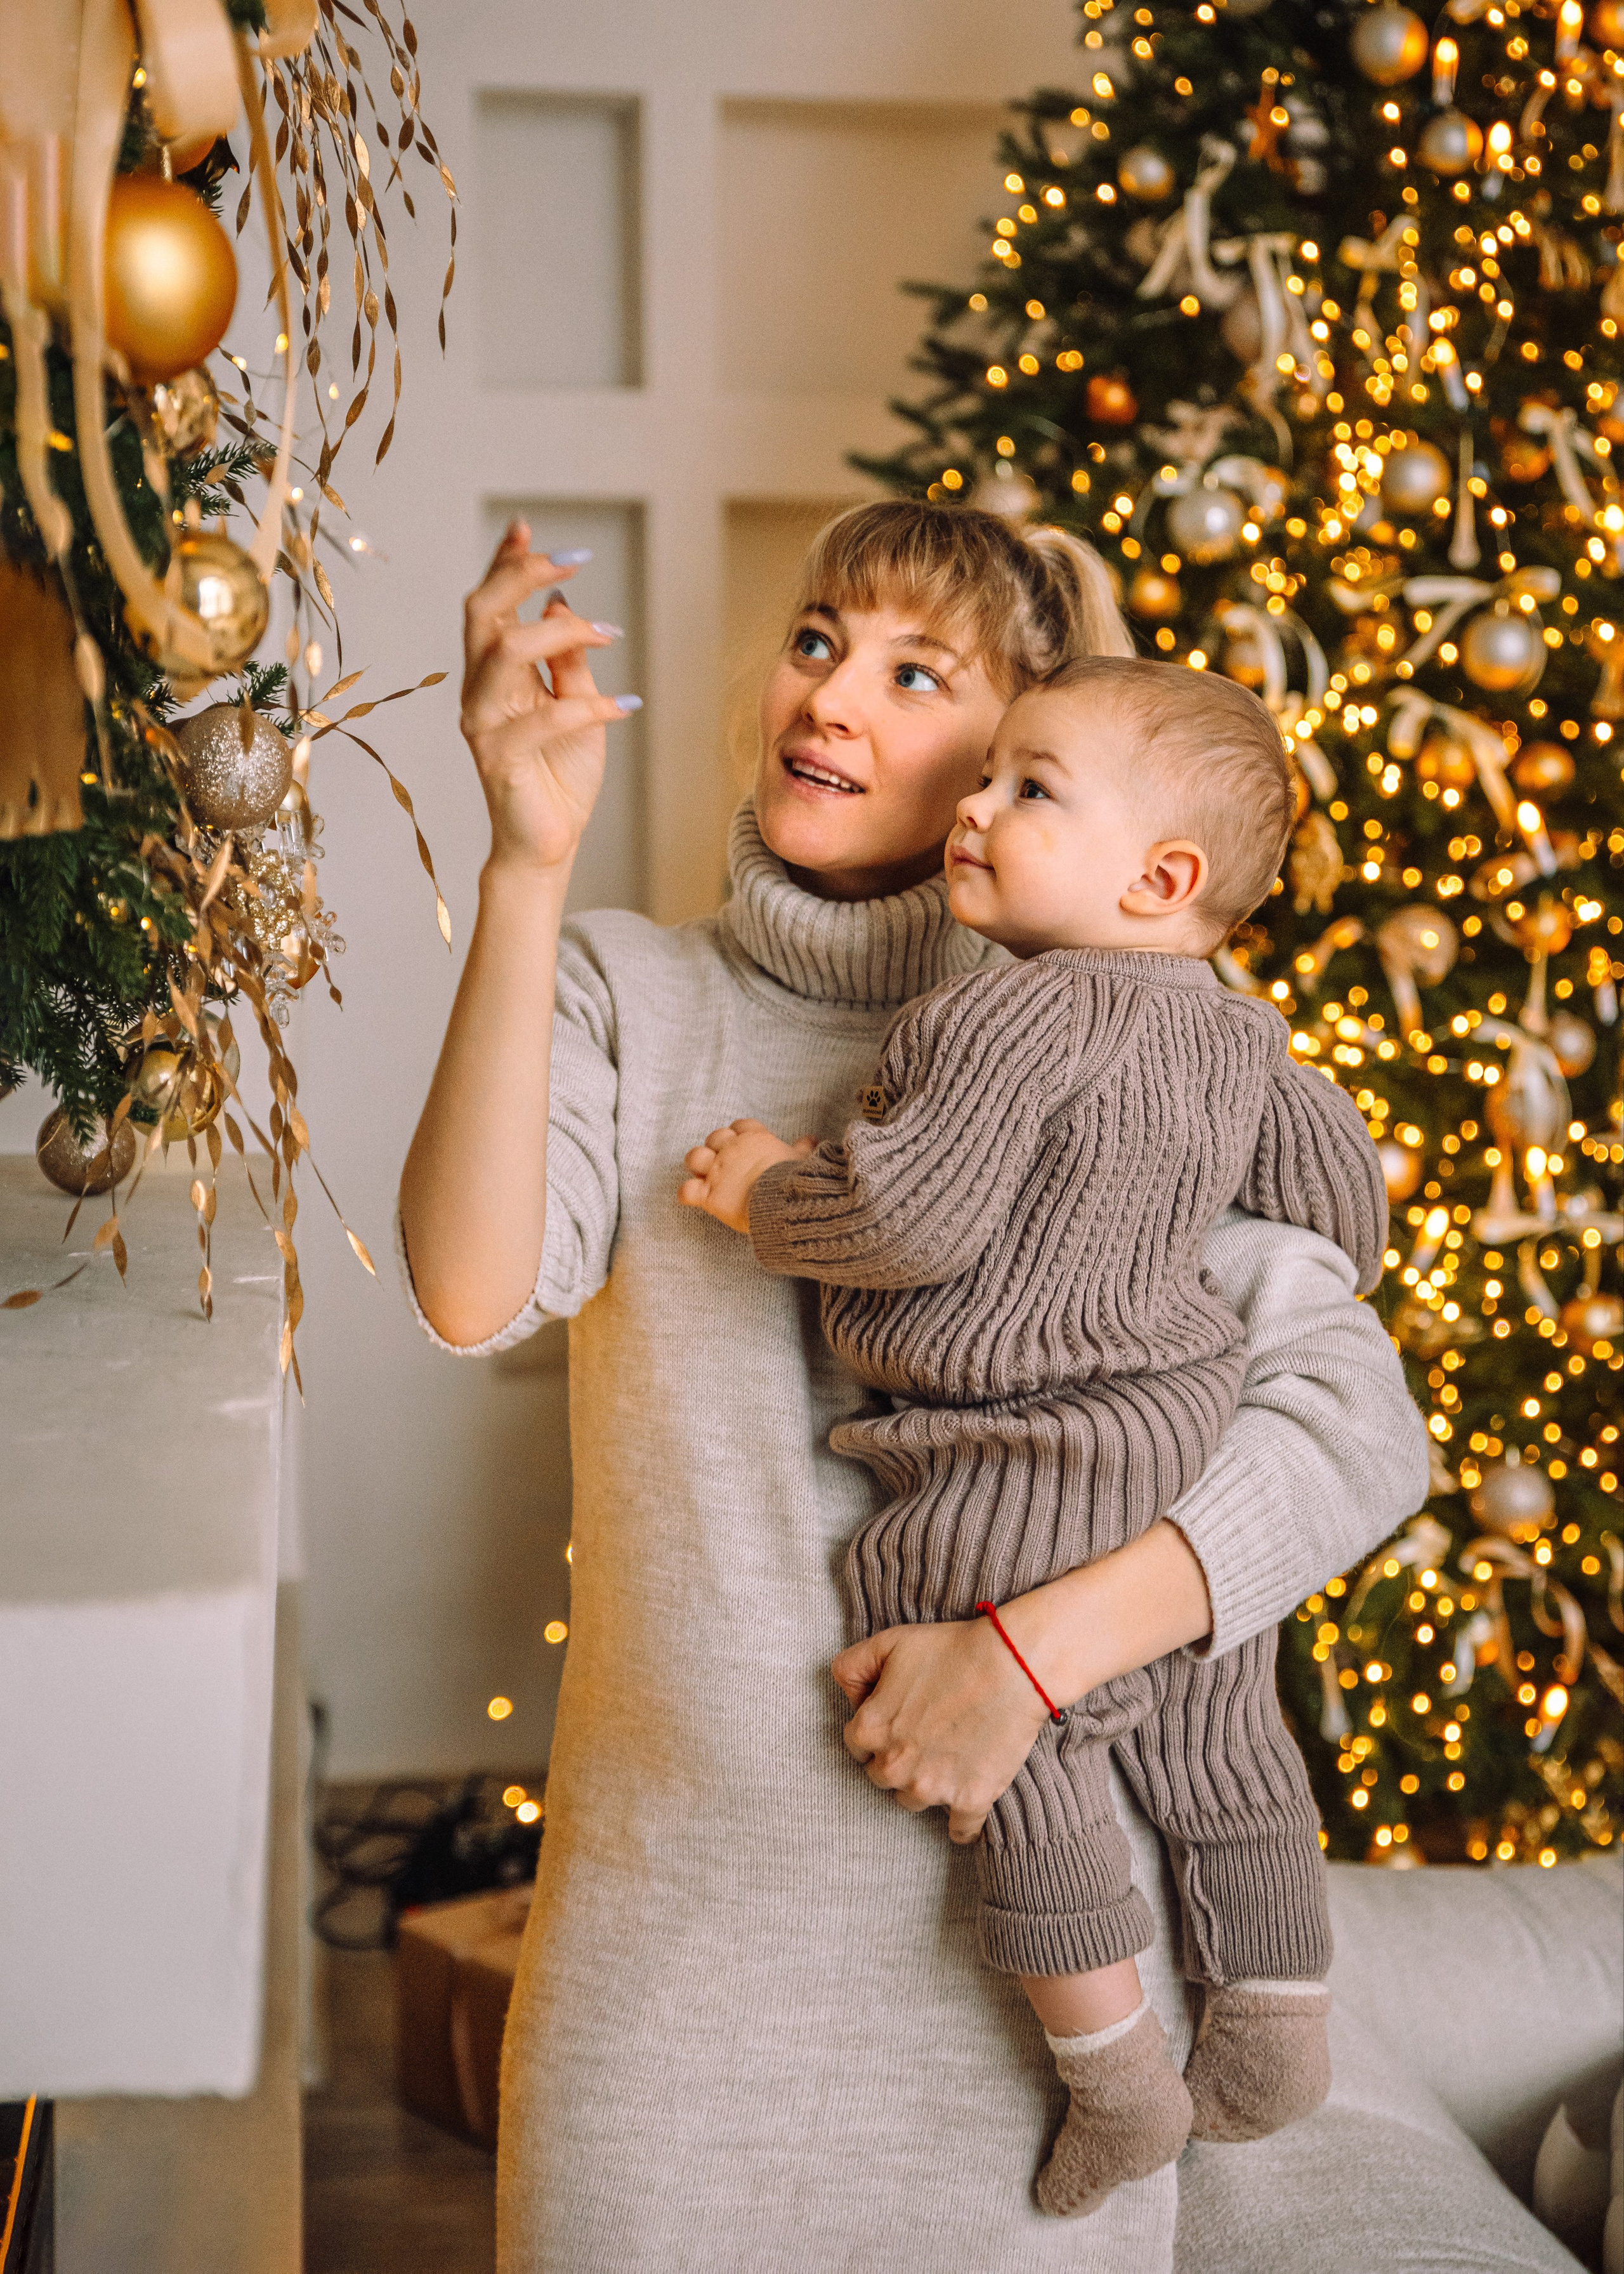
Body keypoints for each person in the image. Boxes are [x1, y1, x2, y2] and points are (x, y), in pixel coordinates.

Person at [398, 499, 1429, 2271]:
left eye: (914, 671)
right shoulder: (629, 995)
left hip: (1034, 2018)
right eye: (819, 641)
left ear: (1022, 741)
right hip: (665, 2002)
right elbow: (468, 1288)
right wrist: (523, 861)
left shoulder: (1141, 1037)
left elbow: (1358, 1436)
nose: (832, 696)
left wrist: (1031, 1658)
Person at [678, 653, 1389, 2218]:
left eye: (1028, 788)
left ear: (1161, 875)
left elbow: (902, 1219)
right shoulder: (1239, 1037)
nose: (978, 808)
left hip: (1000, 1456)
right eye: (987, 775)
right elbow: (1341, 1213)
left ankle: (1116, 2072)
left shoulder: (996, 1013)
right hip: (1179, 1440)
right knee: (1222, 1735)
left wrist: (762, 1194)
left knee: (1020, 1767)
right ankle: (1273, 2018)